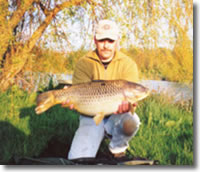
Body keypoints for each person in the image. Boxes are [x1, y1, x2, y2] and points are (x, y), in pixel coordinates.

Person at [64, 19, 141, 160]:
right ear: (95, 40)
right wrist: (73, 102)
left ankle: (117, 148)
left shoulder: (128, 64)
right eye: (101, 40)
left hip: (116, 116)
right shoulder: (84, 63)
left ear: (117, 41)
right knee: (77, 160)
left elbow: (132, 101)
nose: (106, 45)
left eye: (110, 41)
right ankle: (95, 135)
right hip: (91, 115)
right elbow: (80, 97)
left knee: (132, 120)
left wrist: (129, 106)